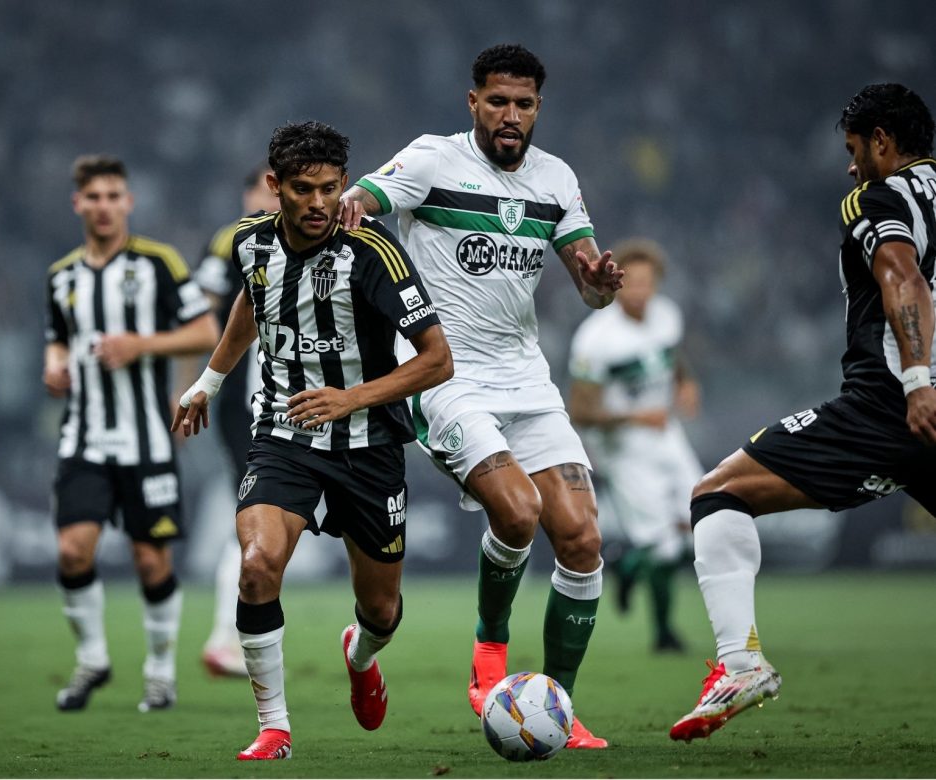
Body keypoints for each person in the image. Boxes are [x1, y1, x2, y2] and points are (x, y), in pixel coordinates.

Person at [339, 43, 623, 748]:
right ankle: (488, 651)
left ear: (538, 108)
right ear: (474, 102)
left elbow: (588, 284)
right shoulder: (432, 160)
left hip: (526, 378)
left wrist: (598, 286)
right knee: (519, 511)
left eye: (524, 104)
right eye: (498, 101)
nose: (510, 115)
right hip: (444, 375)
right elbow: (361, 201)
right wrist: (348, 207)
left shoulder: (556, 178)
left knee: (583, 538)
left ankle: (559, 705)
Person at [174, 121, 453, 760]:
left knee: (381, 611)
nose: (320, 202)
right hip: (284, 433)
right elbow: (251, 306)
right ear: (276, 187)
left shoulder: (373, 252)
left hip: (368, 444)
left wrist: (349, 399)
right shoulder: (249, 242)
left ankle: (361, 656)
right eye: (304, 189)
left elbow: (438, 360)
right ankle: (274, 728)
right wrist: (210, 382)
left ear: (343, 183)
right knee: (256, 566)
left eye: (330, 188)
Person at [669, 83, 936, 741]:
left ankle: (741, 666)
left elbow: (902, 276)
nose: (850, 167)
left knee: (717, 493)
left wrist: (918, 381)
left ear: (881, 142)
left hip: (889, 406)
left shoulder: (877, 197)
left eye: (854, 149)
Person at [43, 155, 219, 713]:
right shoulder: (62, 276)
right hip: (84, 438)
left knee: (151, 562)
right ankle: (91, 659)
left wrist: (139, 345)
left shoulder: (158, 264)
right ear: (78, 203)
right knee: (72, 550)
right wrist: (53, 366)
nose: (104, 206)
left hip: (147, 440)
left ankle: (160, 672)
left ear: (129, 202)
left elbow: (205, 331)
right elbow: (57, 338)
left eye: (113, 196)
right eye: (94, 197)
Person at [567, 238, 702, 653]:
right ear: (619, 283)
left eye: (648, 282)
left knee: (705, 519)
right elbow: (581, 411)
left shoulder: (667, 315)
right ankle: (664, 634)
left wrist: (685, 383)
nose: (641, 291)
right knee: (663, 545)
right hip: (622, 447)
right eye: (634, 283)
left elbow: (671, 357)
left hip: (666, 434)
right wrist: (634, 417)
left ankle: (626, 567)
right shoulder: (595, 339)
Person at [193, 165, 280, 679]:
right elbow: (200, 321)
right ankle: (227, 636)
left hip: (281, 400)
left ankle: (235, 633)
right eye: (267, 189)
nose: (274, 200)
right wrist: (192, 384)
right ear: (248, 194)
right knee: (253, 517)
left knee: (259, 518)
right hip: (247, 402)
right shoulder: (234, 238)